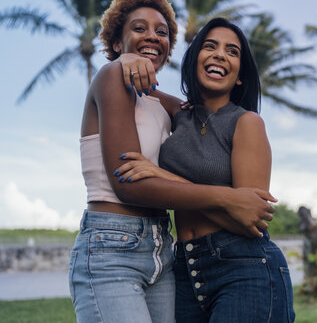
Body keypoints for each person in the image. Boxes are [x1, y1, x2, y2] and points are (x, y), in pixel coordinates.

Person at [69, 0, 275, 322]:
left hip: (163, 250)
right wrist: (122, 61)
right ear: (115, 40)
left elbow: (207, 109)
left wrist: (159, 173)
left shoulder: (170, 108)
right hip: (112, 244)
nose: (153, 36)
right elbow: (128, 183)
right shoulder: (111, 78)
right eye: (139, 28)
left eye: (162, 32)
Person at [117, 18, 295, 322]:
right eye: (209, 46)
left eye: (232, 51)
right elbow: (127, 79)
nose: (220, 55)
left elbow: (247, 219)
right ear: (194, 60)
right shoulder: (179, 114)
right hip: (184, 270)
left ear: (240, 76)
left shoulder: (247, 123)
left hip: (244, 266)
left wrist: (162, 175)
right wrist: (128, 57)